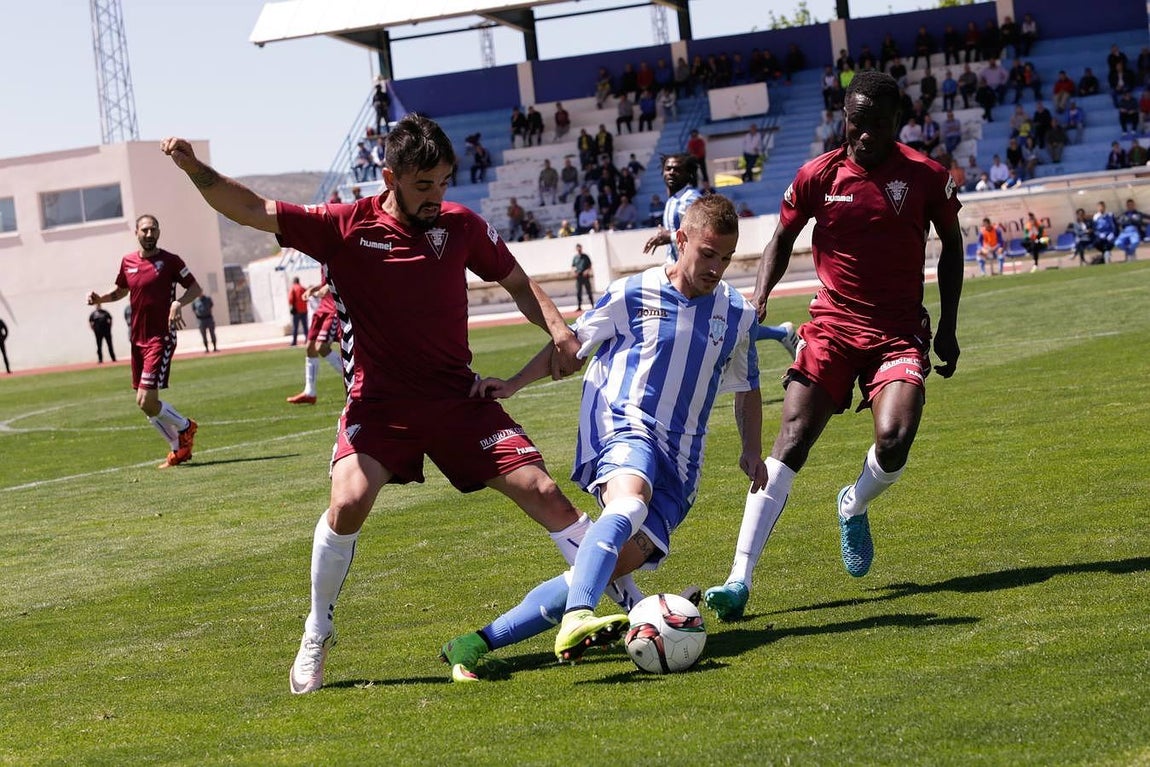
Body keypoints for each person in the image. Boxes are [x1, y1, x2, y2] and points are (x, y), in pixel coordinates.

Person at [162, 114, 618, 695]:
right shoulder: (344, 226)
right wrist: (195, 169)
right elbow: (252, 209)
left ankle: (621, 599)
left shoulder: (460, 224)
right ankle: (317, 629)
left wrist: (557, 328)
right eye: (424, 185)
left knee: (546, 492)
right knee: (348, 503)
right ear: (390, 177)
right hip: (378, 406)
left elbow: (518, 282)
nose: (437, 196)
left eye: (445, 182)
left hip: (456, 397)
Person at [439, 195, 764, 681]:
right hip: (623, 424)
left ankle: (477, 641)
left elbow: (747, 386)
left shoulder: (737, 314)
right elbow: (570, 348)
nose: (716, 267)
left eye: (725, 258)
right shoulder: (631, 294)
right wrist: (511, 384)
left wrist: (751, 450)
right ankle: (576, 618)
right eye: (707, 253)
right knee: (628, 505)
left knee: (598, 571)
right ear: (681, 240)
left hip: (682, 464)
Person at [704, 70, 964, 621]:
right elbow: (781, 237)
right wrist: (760, 296)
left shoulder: (925, 176)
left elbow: (953, 246)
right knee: (792, 438)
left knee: (893, 441)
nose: (864, 134)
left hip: (896, 332)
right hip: (831, 328)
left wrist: (948, 326)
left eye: (878, 124)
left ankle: (853, 503)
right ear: (844, 117)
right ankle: (738, 579)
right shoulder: (817, 174)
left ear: (899, 123)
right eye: (856, 122)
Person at [85, 214, 202, 469]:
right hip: (137, 338)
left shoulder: (170, 261)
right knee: (144, 404)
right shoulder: (127, 262)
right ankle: (177, 449)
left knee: (148, 400)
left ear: (159, 232)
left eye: (154, 230)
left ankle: (186, 426)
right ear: (136, 232)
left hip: (161, 337)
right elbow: (121, 291)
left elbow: (195, 289)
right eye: (145, 230)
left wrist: (177, 303)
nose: (150, 234)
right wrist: (99, 299)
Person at [286, 277, 344, 405]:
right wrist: (315, 288)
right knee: (310, 347)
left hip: (333, 307)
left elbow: (343, 273)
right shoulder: (322, 260)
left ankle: (356, 380)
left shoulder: (335, 256)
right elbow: (327, 279)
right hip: (322, 307)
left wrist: (327, 287)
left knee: (322, 347)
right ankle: (309, 392)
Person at [643, 153, 702, 263]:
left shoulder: (692, 198)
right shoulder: (672, 200)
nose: (671, 172)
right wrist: (663, 236)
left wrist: (670, 237)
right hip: (676, 267)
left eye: (677, 169)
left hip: (694, 269)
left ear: (689, 174)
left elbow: (702, 232)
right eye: (668, 169)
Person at [570, 243, 593, 310]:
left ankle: (592, 305)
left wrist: (587, 271)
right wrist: (574, 272)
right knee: (578, 292)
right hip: (578, 277)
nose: (579, 249)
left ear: (581, 248)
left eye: (580, 248)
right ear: (576, 249)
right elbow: (572, 266)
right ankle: (579, 306)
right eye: (578, 248)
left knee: (589, 291)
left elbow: (590, 265)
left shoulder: (585, 256)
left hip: (585, 276)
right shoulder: (575, 257)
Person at [287, 276, 307, 346]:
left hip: (296, 311)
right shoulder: (303, 288)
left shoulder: (293, 288)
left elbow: (290, 299)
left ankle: (294, 342)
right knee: (305, 326)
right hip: (304, 310)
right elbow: (307, 298)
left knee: (295, 327)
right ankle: (307, 340)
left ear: (294, 281)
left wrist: (292, 306)